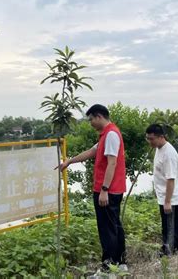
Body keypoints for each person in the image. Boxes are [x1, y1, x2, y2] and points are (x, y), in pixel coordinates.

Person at [58, 104, 127, 271]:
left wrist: (104, 190)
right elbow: (91, 152)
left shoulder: (110, 134)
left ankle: (108, 268)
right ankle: (120, 264)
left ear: (99, 116)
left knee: (107, 230)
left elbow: (112, 163)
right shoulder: (107, 134)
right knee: (114, 226)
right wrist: (69, 161)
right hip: (112, 189)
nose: (90, 123)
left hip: (107, 191)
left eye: (91, 120)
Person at [145, 123, 178, 255]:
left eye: (151, 139)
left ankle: (174, 252)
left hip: (171, 199)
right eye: (147, 138)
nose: (149, 141)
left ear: (161, 137)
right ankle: (173, 249)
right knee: (168, 226)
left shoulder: (168, 153)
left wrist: (168, 201)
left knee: (172, 227)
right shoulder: (159, 148)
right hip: (164, 197)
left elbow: (171, 179)